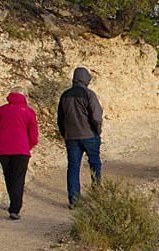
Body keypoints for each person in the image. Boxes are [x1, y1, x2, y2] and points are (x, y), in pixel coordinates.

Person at [0, 87, 39, 220]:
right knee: (18, 178)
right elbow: (33, 133)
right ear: (24, 96)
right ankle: (15, 208)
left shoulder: (2, 110)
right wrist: (29, 145)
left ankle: (13, 202)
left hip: (3, 149)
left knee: (8, 176)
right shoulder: (29, 112)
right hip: (21, 150)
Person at [57, 67, 104, 208]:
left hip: (71, 137)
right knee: (95, 164)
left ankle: (74, 199)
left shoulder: (65, 95)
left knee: (73, 167)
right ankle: (97, 195)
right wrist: (97, 131)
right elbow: (96, 116)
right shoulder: (89, 94)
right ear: (86, 79)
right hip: (89, 135)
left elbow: (60, 118)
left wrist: (64, 134)